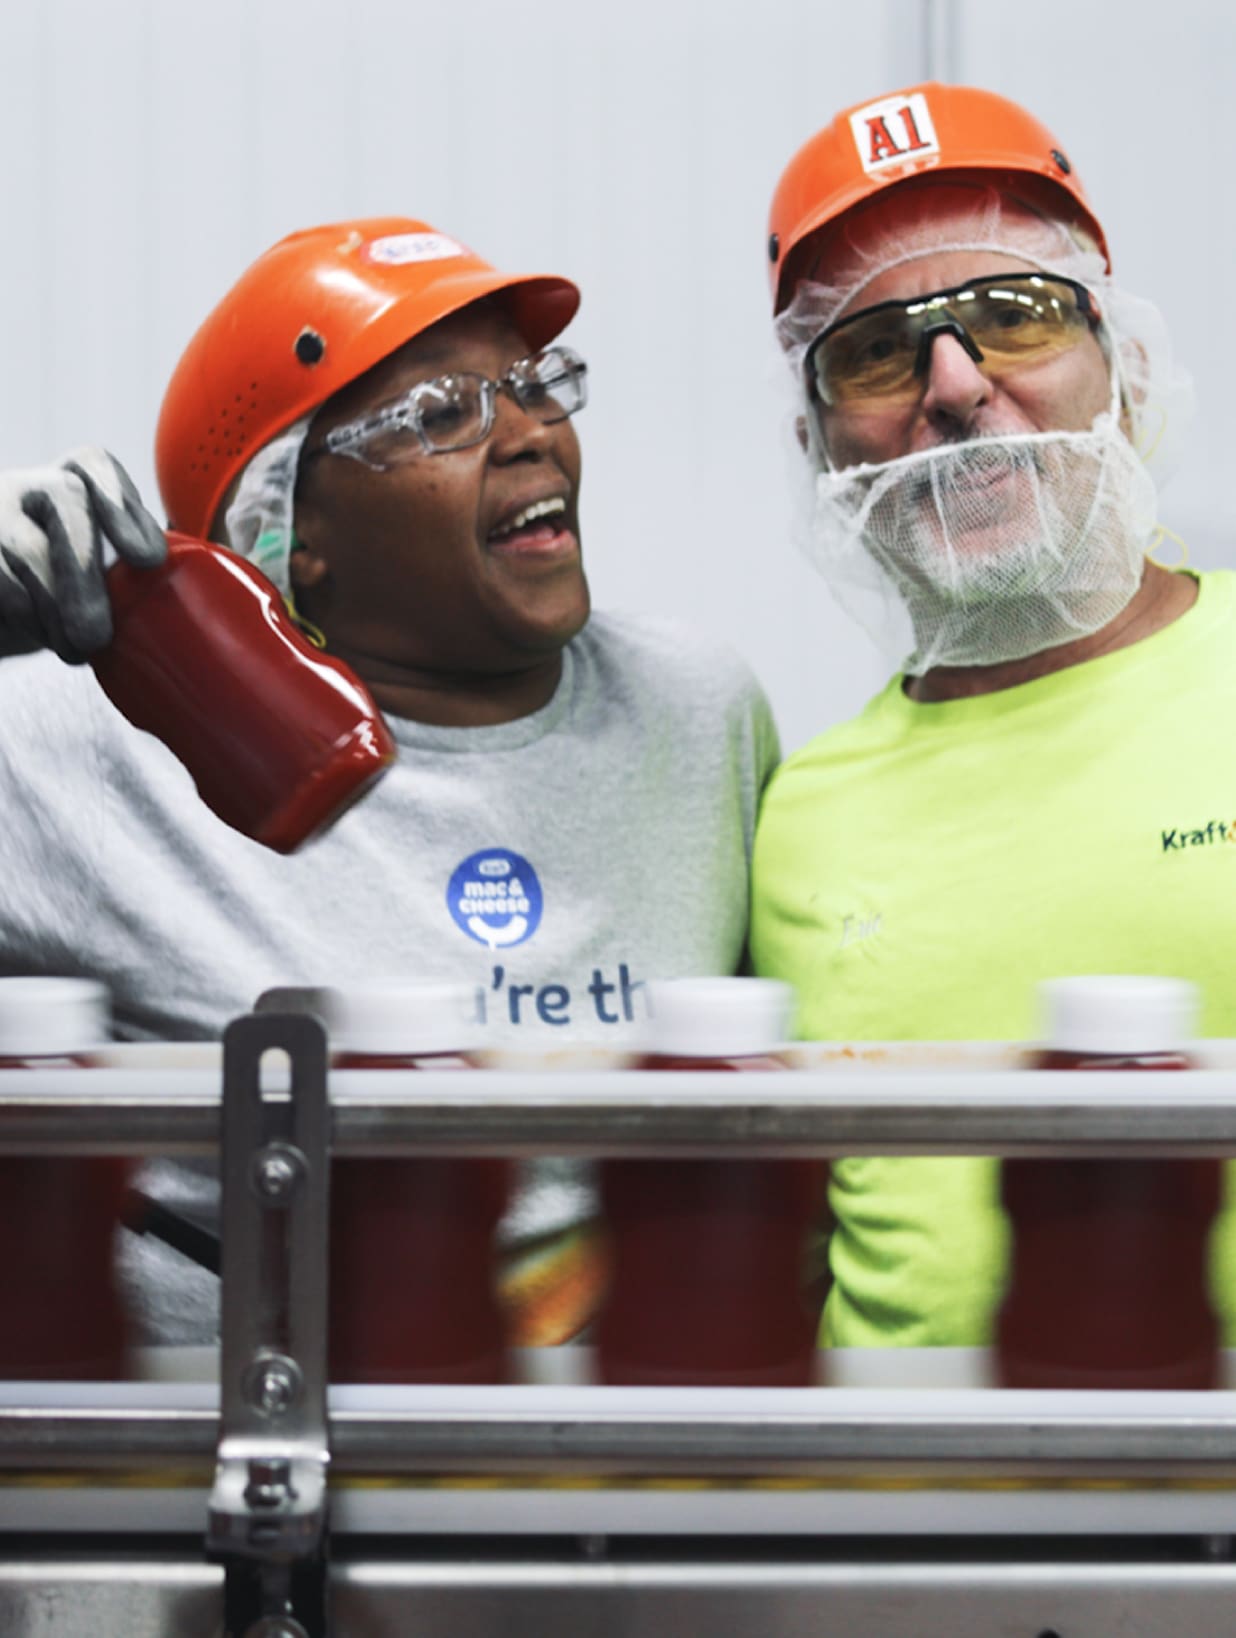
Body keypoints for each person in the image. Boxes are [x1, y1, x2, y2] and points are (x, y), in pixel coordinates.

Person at [0, 217, 779, 1342]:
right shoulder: (87, 744)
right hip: (240, 1453)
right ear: (287, 526)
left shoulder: (695, 709)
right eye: (443, 412)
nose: (532, 437)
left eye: (535, 385)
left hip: (619, 1449)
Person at [749, 83, 1236, 1348]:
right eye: (873, 349)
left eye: (1013, 317)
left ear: (1125, 370)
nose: (957, 387)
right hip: (889, 1518)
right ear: (820, 444)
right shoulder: (797, 816)